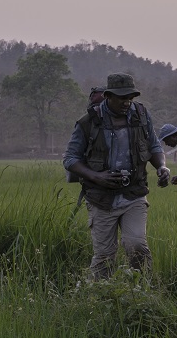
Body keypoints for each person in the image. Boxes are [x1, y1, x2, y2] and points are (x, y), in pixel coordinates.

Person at [64, 73, 170, 280]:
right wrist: (96, 176)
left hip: (134, 194)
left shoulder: (141, 115)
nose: (126, 102)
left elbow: (154, 146)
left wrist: (162, 167)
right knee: (104, 255)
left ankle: (141, 289)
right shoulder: (88, 122)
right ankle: (101, 294)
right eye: (121, 98)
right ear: (108, 96)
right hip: (100, 198)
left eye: (130, 98)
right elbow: (70, 159)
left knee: (137, 245)